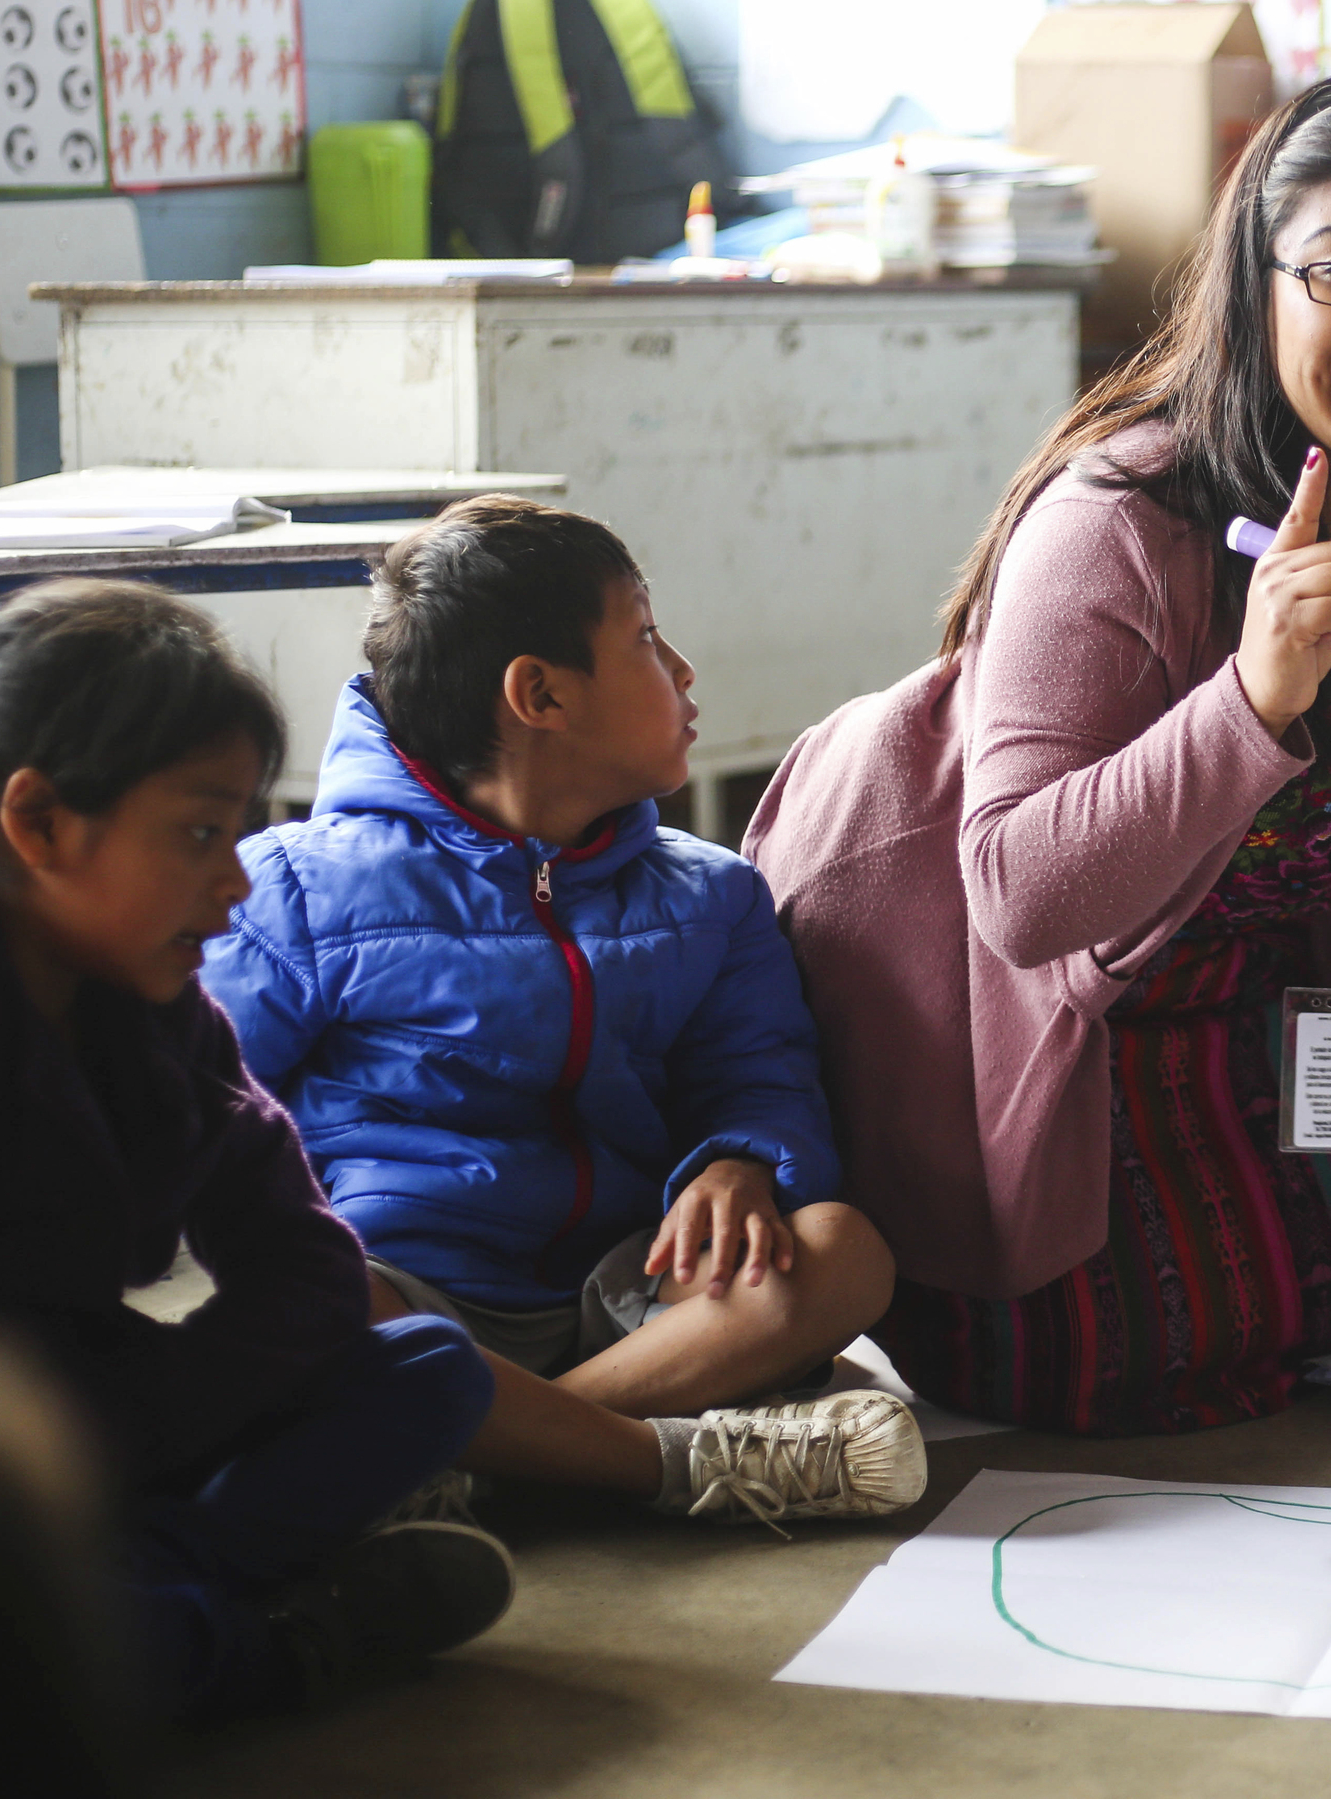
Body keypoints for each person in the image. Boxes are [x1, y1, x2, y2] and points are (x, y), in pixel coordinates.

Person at [747, 72, 1331, 1436]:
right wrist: (1251, 704)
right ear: (1257, 294)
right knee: (1115, 1359)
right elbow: (1022, 900)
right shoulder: (1122, 522)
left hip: (1259, 997)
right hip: (1002, 1012)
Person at [0, 581, 511, 1721]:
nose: (235, 879)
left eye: (245, 827)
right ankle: (277, 1640)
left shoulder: (158, 1011)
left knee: (431, 1367)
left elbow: (305, 1268)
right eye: (201, 831)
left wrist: (113, 1433)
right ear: (40, 821)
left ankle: (126, 1581)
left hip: (93, 1435)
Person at [201, 499, 923, 1530]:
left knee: (842, 1249)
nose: (682, 669)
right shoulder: (296, 892)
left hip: (627, 1305)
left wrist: (741, 1161)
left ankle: (482, 1457)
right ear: (539, 693)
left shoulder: (711, 894)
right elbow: (201, 1114)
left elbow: (760, 1073)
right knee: (308, 1299)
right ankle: (652, 1459)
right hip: (413, 1294)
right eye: (642, 636)